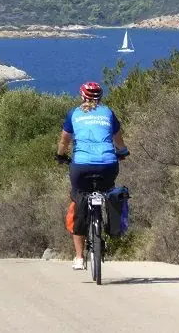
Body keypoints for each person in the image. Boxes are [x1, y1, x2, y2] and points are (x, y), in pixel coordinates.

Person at [55, 81, 129, 270]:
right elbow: (118, 140)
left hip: (81, 167)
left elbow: (64, 141)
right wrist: (123, 152)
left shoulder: (74, 114)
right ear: (100, 97)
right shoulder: (108, 113)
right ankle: (111, 224)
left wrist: (60, 156)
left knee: (79, 198)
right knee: (108, 190)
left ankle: (79, 257)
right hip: (108, 166)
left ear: (82, 96)